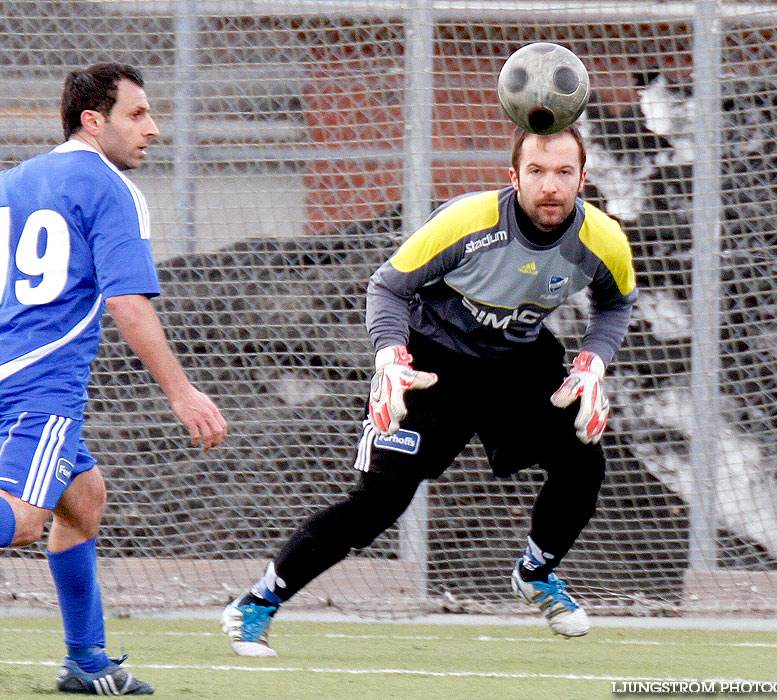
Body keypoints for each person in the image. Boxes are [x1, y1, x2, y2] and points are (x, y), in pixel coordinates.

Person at [221, 125, 636, 656]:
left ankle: (536, 572)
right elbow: (388, 286)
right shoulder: (469, 221)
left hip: (518, 359)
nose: (549, 186)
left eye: (562, 173)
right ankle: (256, 604)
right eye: (535, 171)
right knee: (378, 504)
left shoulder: (601, 240)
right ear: (513, 177)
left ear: (583, 179)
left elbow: (617, 302)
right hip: (434, 361)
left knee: (585, 463)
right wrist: (391, 358)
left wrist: (594, 362)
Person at [0, 63, 228, 695]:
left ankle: (86, 661)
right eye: (137, 115)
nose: (153, 129)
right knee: (21, 520)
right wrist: (183, 393)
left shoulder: (14, 180)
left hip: (10, 370)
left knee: (85, 496)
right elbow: (127, 303)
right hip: (39, 386)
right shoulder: (109, 188)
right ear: (92, 121)